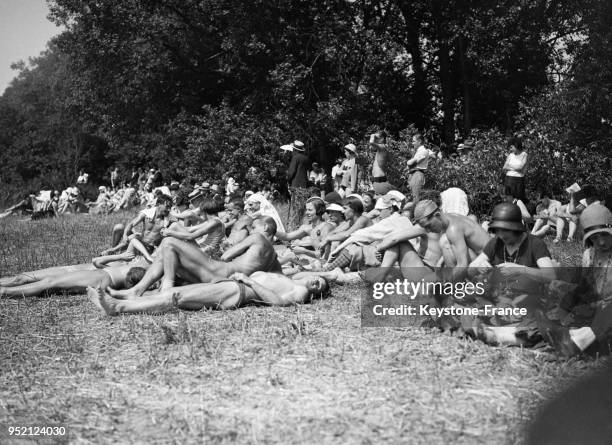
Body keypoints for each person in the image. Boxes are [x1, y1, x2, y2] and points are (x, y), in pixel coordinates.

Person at [108, 216, 281, 298]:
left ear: (264, 227)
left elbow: (227, 255)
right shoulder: (273, 258)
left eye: (253, 228)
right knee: (168, 256)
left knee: (169, 241)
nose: (250, 231)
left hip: (217, 270)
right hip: (225, 281)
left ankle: (165, 289)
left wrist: (233, 246)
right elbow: (276, 278)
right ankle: (137, 291)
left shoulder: (257, 238)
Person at [465, 202, 556, 345]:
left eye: (505, 230)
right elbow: (471, 269)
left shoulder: (535, 244)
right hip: (500, 301)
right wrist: (479, 266)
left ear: (516, 228)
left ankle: (503, 335)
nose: (501, 234)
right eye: (497, 230)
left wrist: (520, 269)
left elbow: (551, 275)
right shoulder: (495, 243)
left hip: (527, 302)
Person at [536, 204, 612, 357]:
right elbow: (585, 287)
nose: (601, 242)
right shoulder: (590, 255)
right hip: (597, 308)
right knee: (570, 291)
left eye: (604, 235)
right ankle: (558, 328)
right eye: (595, 238)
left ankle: (578, 341)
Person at [90, 271, 329, 316]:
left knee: (176, 298)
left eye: (321, 286)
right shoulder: (291, 278)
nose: (318, 282)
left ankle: (117, 307)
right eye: (319, 279)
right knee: (173, 291)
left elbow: (278, 303)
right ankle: (126, 298)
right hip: (232, 287)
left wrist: (249, 280)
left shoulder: (300, 291)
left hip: (237, 291)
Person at [0, 264, 146, 298]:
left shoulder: (153, 262)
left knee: (49, 282)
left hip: (104, 277)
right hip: (95, 270)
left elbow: (132, 279)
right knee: (23, 277)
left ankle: (4, 292)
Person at [105, 195, 172, 256]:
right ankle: (112, 251)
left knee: (133, 237)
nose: (169, 209)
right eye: (167, 206)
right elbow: (131, 224)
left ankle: (113, 251)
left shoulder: (168, 221)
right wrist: (125, 235)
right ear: (158, 204)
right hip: (141, 241)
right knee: (119, 227)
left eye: (170, 207)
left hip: (150, 248)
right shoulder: (147, 214)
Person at [286, 140, 310, 228]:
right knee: (301, 208)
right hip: (304, 186)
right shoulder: (306, 158)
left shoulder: (295, 158)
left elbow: (291, 172)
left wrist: (288, 181)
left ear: (295, 149)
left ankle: (293, 226)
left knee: (294, 208)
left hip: (295, 186)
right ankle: (299, 224)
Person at [503, 136, 527, 202]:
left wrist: (510, 168)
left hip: (518, 180)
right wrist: (515, 168)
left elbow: (520, 167)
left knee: (518, 200)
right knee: (509, 199)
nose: (510, 149)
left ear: (516, 146)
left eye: (511, 147)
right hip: (509, 179)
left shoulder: (524, 154)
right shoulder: (510, 155)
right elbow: (504, 167)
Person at [406, 133, 429, 204]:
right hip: (414, 174)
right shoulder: (419, 151)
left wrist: (410, 162)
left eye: (414, 141)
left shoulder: (423, 151)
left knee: (416, 198)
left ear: (419, 141)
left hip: (417, 174)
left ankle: (416, 213)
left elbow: (410, 163)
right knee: (413, 196)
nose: (412, 143)